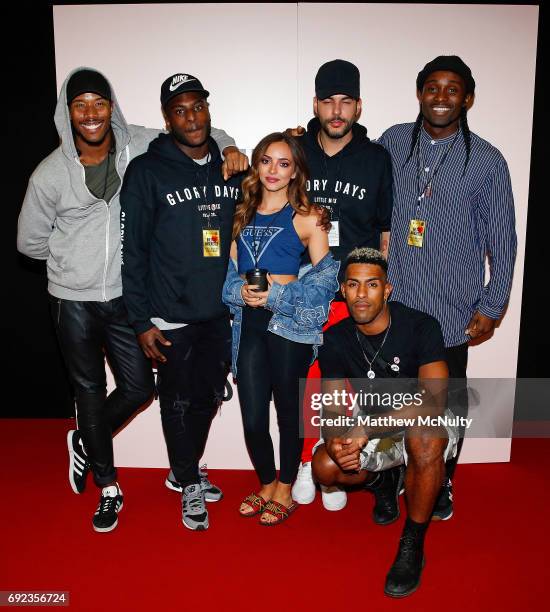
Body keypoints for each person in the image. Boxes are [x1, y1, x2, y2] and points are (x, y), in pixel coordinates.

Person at [17, 67, 247, 533]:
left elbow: (198, 125)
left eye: (98, 103)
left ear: (112, 108)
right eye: (79, 105)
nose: (90, 113)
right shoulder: (50, 173)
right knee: (88, 390)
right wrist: (70, 261)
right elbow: (30, 244)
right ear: (67, 113)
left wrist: (228, 145)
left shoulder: (133, 146)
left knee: (141, 388)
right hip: (73, 298)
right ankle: (108, 487)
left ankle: (87, 439)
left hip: (123, 297)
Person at [377, 56, 517, 520]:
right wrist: (302, 140)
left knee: (445, 407)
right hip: (394, 305)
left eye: (452, 89)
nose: (441, 97)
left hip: (450, 311)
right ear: (419, 93)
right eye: (432, 88)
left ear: (467, 98)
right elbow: (353, 172)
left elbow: (503, 241)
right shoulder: (393, 142)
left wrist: (492, 305)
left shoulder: (487, 161)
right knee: (393, 400)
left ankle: (442, 483)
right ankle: (392, 475)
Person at [120, 73, 244, 531]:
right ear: (166, 118)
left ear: (209, 110)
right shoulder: (147, 172)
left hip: (220, 311)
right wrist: (139, 321)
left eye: (198, 107)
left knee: (210, 395)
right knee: (176, 400)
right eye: (180, 110)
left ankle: (182, 469)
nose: (191, 118)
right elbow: (130, 251)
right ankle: (189, 480)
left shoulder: (232, 166)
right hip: (167, 312)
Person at [312, 247, 457, 597]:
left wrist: (363, 430)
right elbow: (331, 405)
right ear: (342, 290)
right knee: (325, 467)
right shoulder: (334, 338)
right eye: (353, 285)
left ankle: (413, 542)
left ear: (387, 289)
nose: (362, 295)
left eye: (372, 285)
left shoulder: (421, 326)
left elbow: (433, 400)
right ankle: (384, 477)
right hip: (374, 422)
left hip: (423, 417)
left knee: (424, 438)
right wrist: (334, 438)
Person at [291, 59, 393, 511]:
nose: (336, 110)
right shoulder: (295, 151)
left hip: (351, 296)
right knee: (303, 384)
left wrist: (372, 293)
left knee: (344, 390)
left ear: (357, 106)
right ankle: (300, 463)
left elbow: (386, 235)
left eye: (345, 102)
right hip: (302, 292)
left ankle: (332, 468)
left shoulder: (376, 159)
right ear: (315, 104)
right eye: (328, 101)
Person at [222, 132, 339, 525]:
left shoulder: (308, 217)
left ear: (294, 172)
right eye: (267, 161)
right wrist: (239, 291)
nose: (274, 170)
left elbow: (325, 285)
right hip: (248, 326)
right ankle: (267, 481)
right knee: (253, 416)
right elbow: (226, 282)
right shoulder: (240, 213)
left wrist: (277, 296)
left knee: (289, 413)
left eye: (283, 163)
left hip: (288, 326)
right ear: (256, 165)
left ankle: (286, 487)